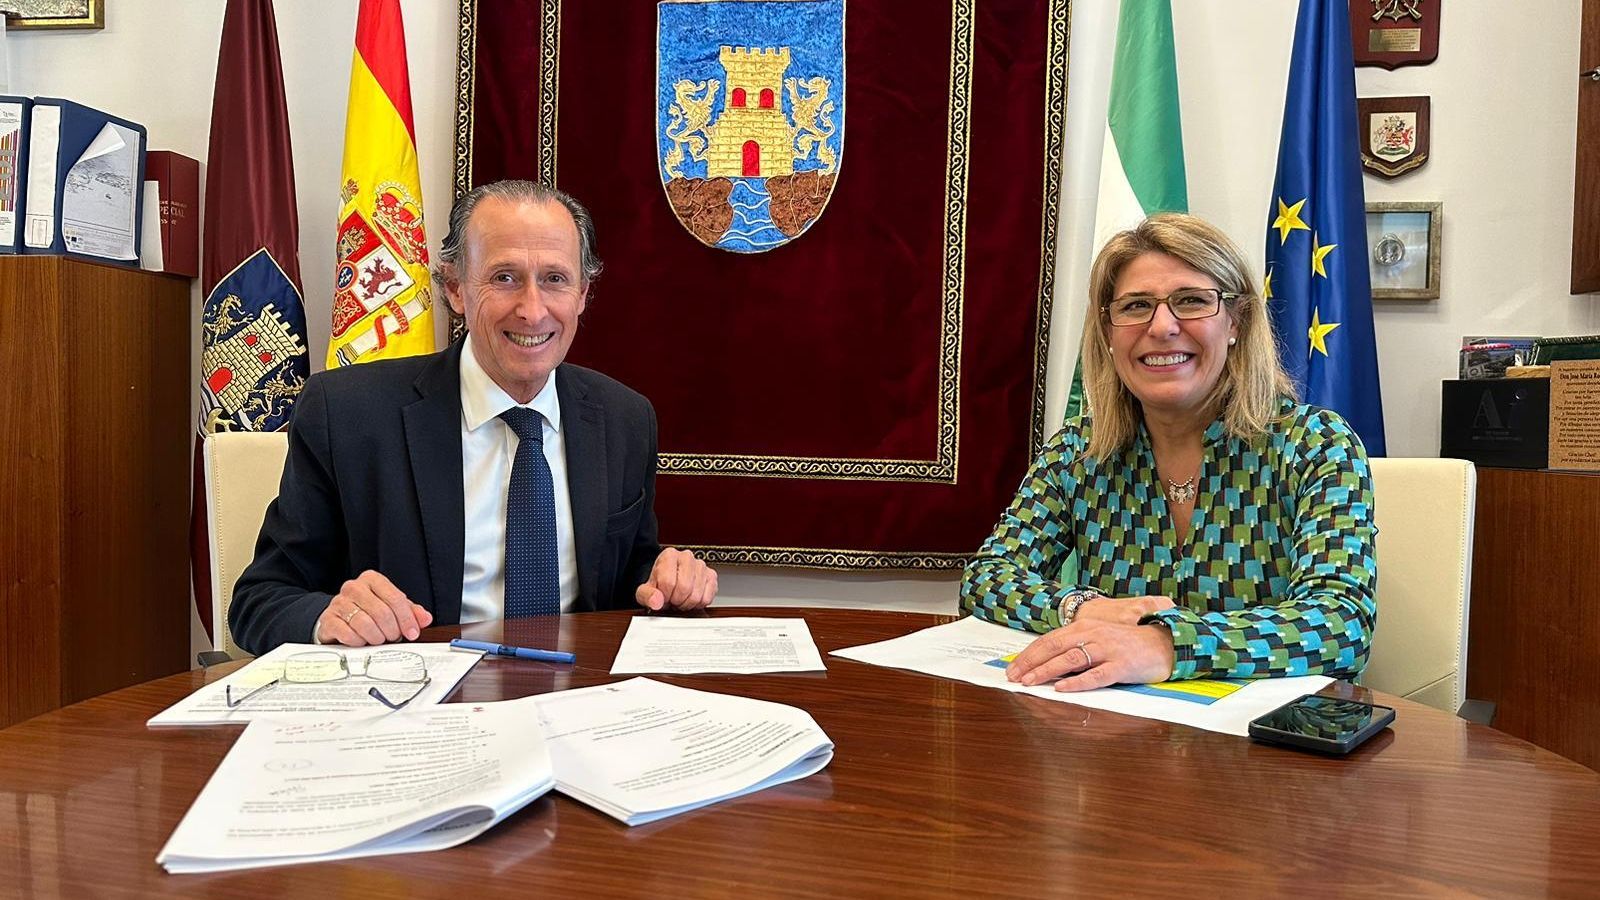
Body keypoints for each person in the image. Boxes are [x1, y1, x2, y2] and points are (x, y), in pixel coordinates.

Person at [230, 180, 717, 655]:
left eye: (555, 279)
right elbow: (259, 600)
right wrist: (329, 617)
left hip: (576, 706)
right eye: (504, 278)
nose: (533, 310)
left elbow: (629, 570)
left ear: (583, 293)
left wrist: (667, 577)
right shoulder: (347, 413)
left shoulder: (625, 418)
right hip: (420, 710)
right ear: (456, 288)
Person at [961, 213, 1376, 692]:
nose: (1162, 327)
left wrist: (1165, 645)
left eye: (1191, 301)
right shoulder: (1078, 451)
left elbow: (1342, 624)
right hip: (1113, 737)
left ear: (1235, 322)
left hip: (1265, 750)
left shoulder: (1315, 445)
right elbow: (985, 580)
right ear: (1108, 332)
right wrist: (1079, 607)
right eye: (1136, 306)